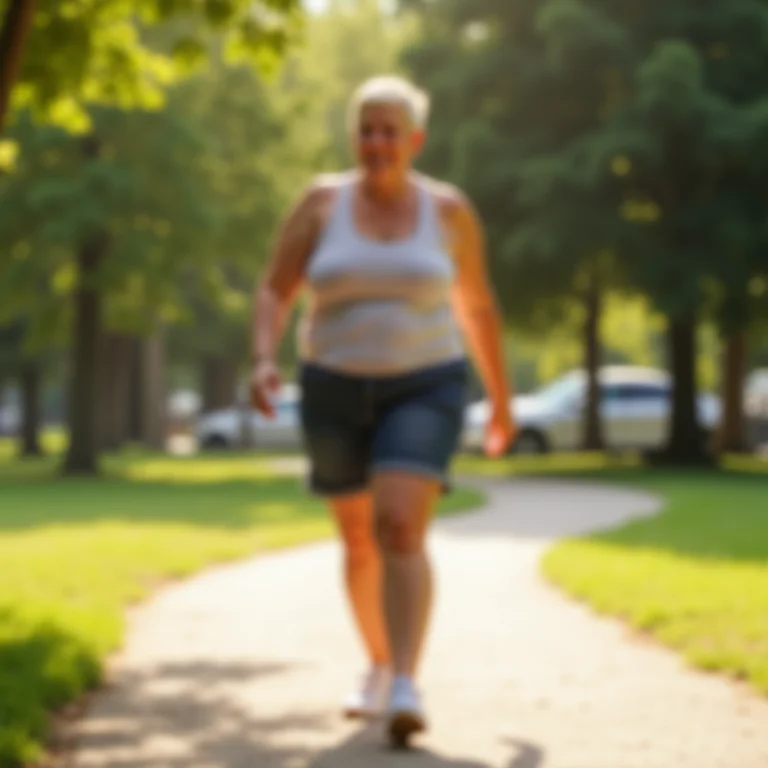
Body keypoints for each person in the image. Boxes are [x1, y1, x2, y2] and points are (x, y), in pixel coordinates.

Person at [250, 75, 516, 745]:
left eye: (389, 130)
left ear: (415, 140)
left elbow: (477, 306)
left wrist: (502, 403)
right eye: (365, 129)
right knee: (358, 537)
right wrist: (261, 358)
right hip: (333, 387)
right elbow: (274, 290)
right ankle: (375, 661)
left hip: (424, 383)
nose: (375, 142)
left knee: (400, 525)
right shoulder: (319, 203)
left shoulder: (450, 212)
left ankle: (405, 681)